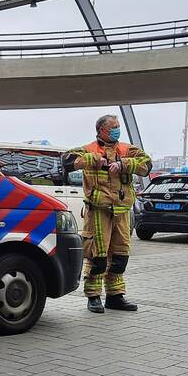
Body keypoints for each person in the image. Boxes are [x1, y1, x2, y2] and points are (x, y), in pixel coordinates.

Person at [64, 115, 152, 314]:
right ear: (101, 130)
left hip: (122, 211)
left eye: (118, 127)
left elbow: (147, 165)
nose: (117, 130)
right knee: (98, 255)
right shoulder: (89, 149)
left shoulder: (127, 149)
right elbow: (67, 160)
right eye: (113, 127)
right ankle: (93, 297)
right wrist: (94, 160)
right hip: (98, 211)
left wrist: (124, 164)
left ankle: (115, 296)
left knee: (120, 256)